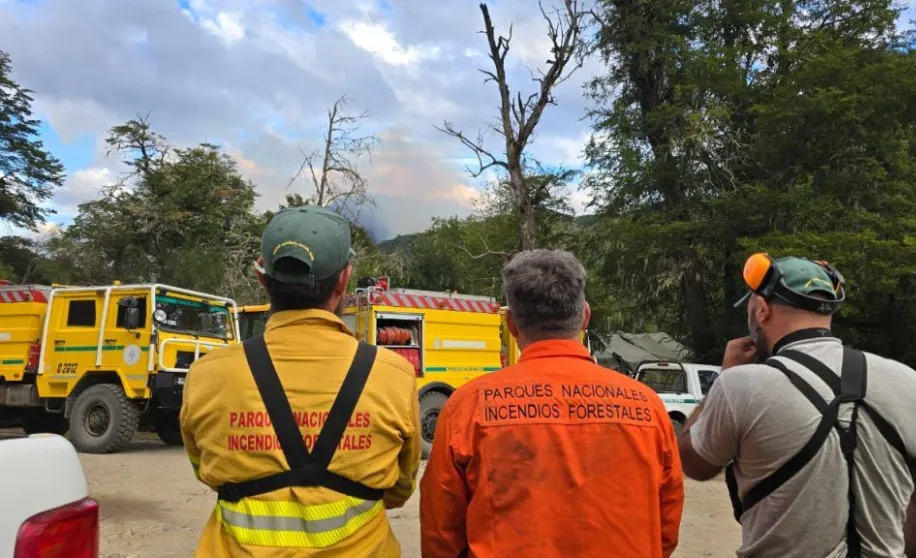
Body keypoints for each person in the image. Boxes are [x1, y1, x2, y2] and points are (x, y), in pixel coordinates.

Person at [677, 253, 916, 558]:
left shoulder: (740, 385)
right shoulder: (914, 385)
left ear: (761, 310)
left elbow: (694, 463)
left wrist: (725, 375)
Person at [180, 205, 421, 557]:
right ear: (343, 279)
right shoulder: (393, 375)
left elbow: (205, 470)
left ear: (262, 277)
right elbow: (399, 489)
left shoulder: (206, 375)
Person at [419, 249, 684, 558]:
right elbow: (666, 525)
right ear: (585, 315)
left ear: (511, 324)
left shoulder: (468, 407)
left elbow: (441, 533)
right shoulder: (647, 407)